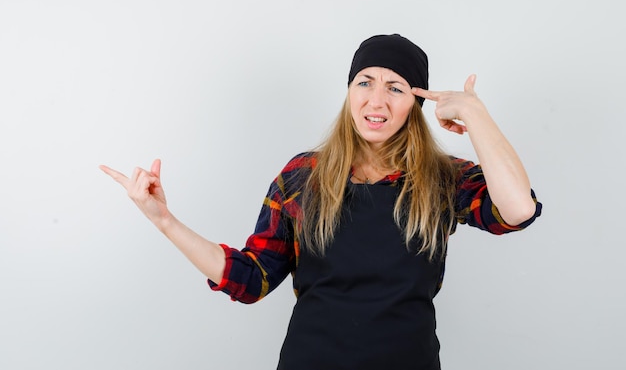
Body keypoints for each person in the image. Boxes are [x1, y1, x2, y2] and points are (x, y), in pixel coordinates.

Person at [100, 34, 542, 370]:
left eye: (396, 88)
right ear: (349, 91)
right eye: (365, 82)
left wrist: (475, 115)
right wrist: (164, 221)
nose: (376, 100)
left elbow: (518, 210)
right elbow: (250, 279)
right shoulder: (303, 176)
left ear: (417, 102)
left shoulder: (443, 179)